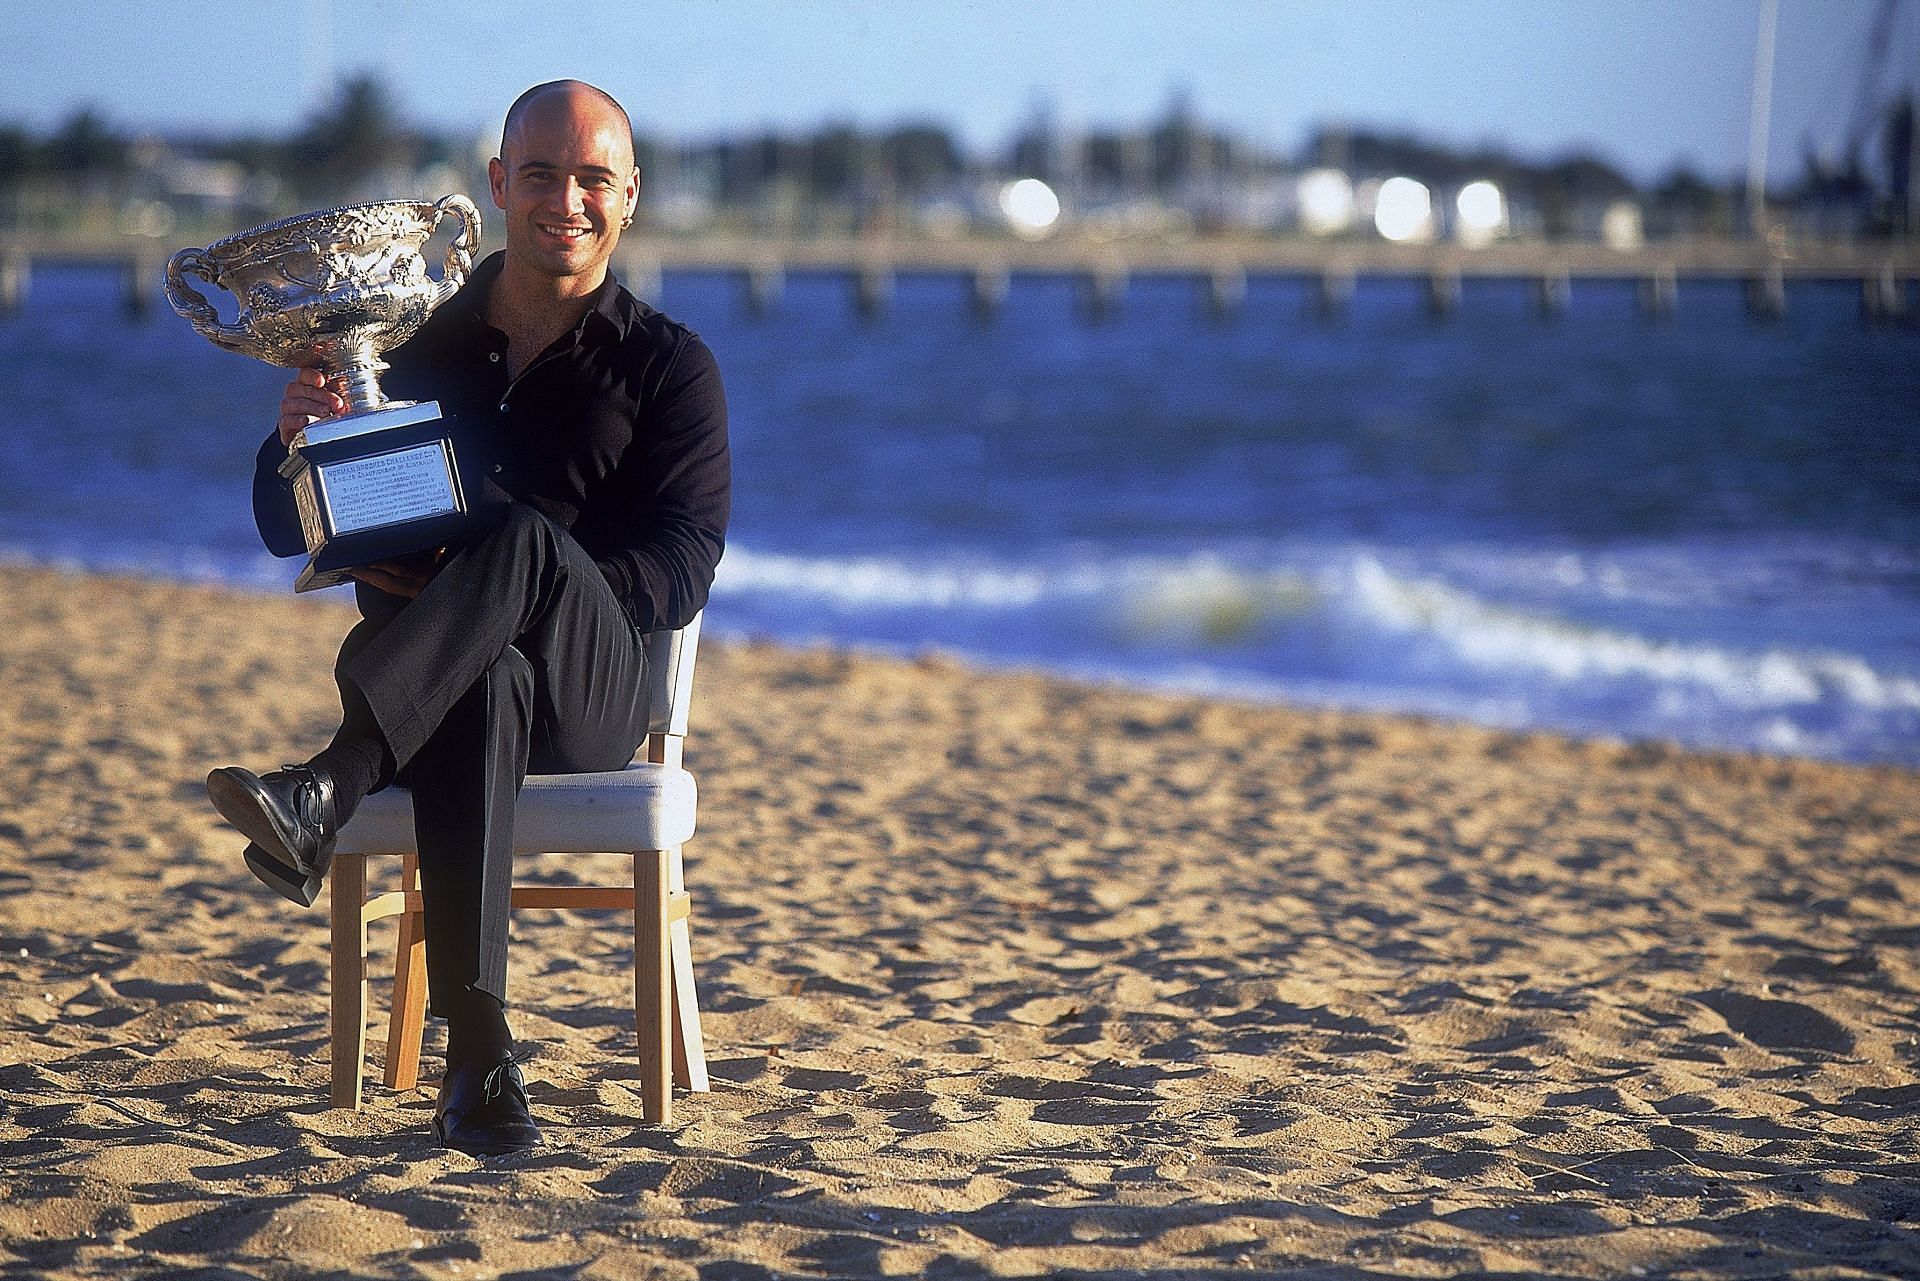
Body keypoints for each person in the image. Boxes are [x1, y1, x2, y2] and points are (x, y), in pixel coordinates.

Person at [204, 80, 730, 1156]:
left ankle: (331, 784)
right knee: (485, 671)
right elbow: (280, 526)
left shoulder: (669, 368)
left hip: (592, 689)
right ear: (497, 185)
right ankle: (482, 1053)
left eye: (593, 180)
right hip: (444, 689)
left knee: (525, 543)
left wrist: (532, 590)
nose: (566, 201)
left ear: (629, 198)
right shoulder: (406, 344)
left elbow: (683, 566)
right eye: (541, 174)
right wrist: (293, 435)